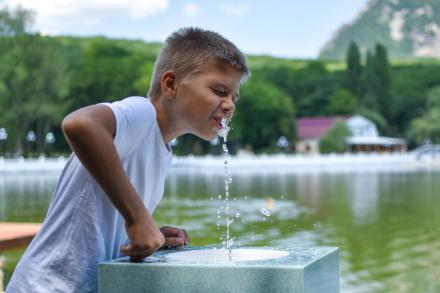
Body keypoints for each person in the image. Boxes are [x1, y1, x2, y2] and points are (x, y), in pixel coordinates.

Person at [6, 27, 250, 292]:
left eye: (233, 97)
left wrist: (152, 234)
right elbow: (80, 124)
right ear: (170, 84)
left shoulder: (163, 148)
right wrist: (138, 219)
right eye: (219, 90)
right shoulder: (142, 113)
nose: (229, 105)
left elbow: (104, 218)